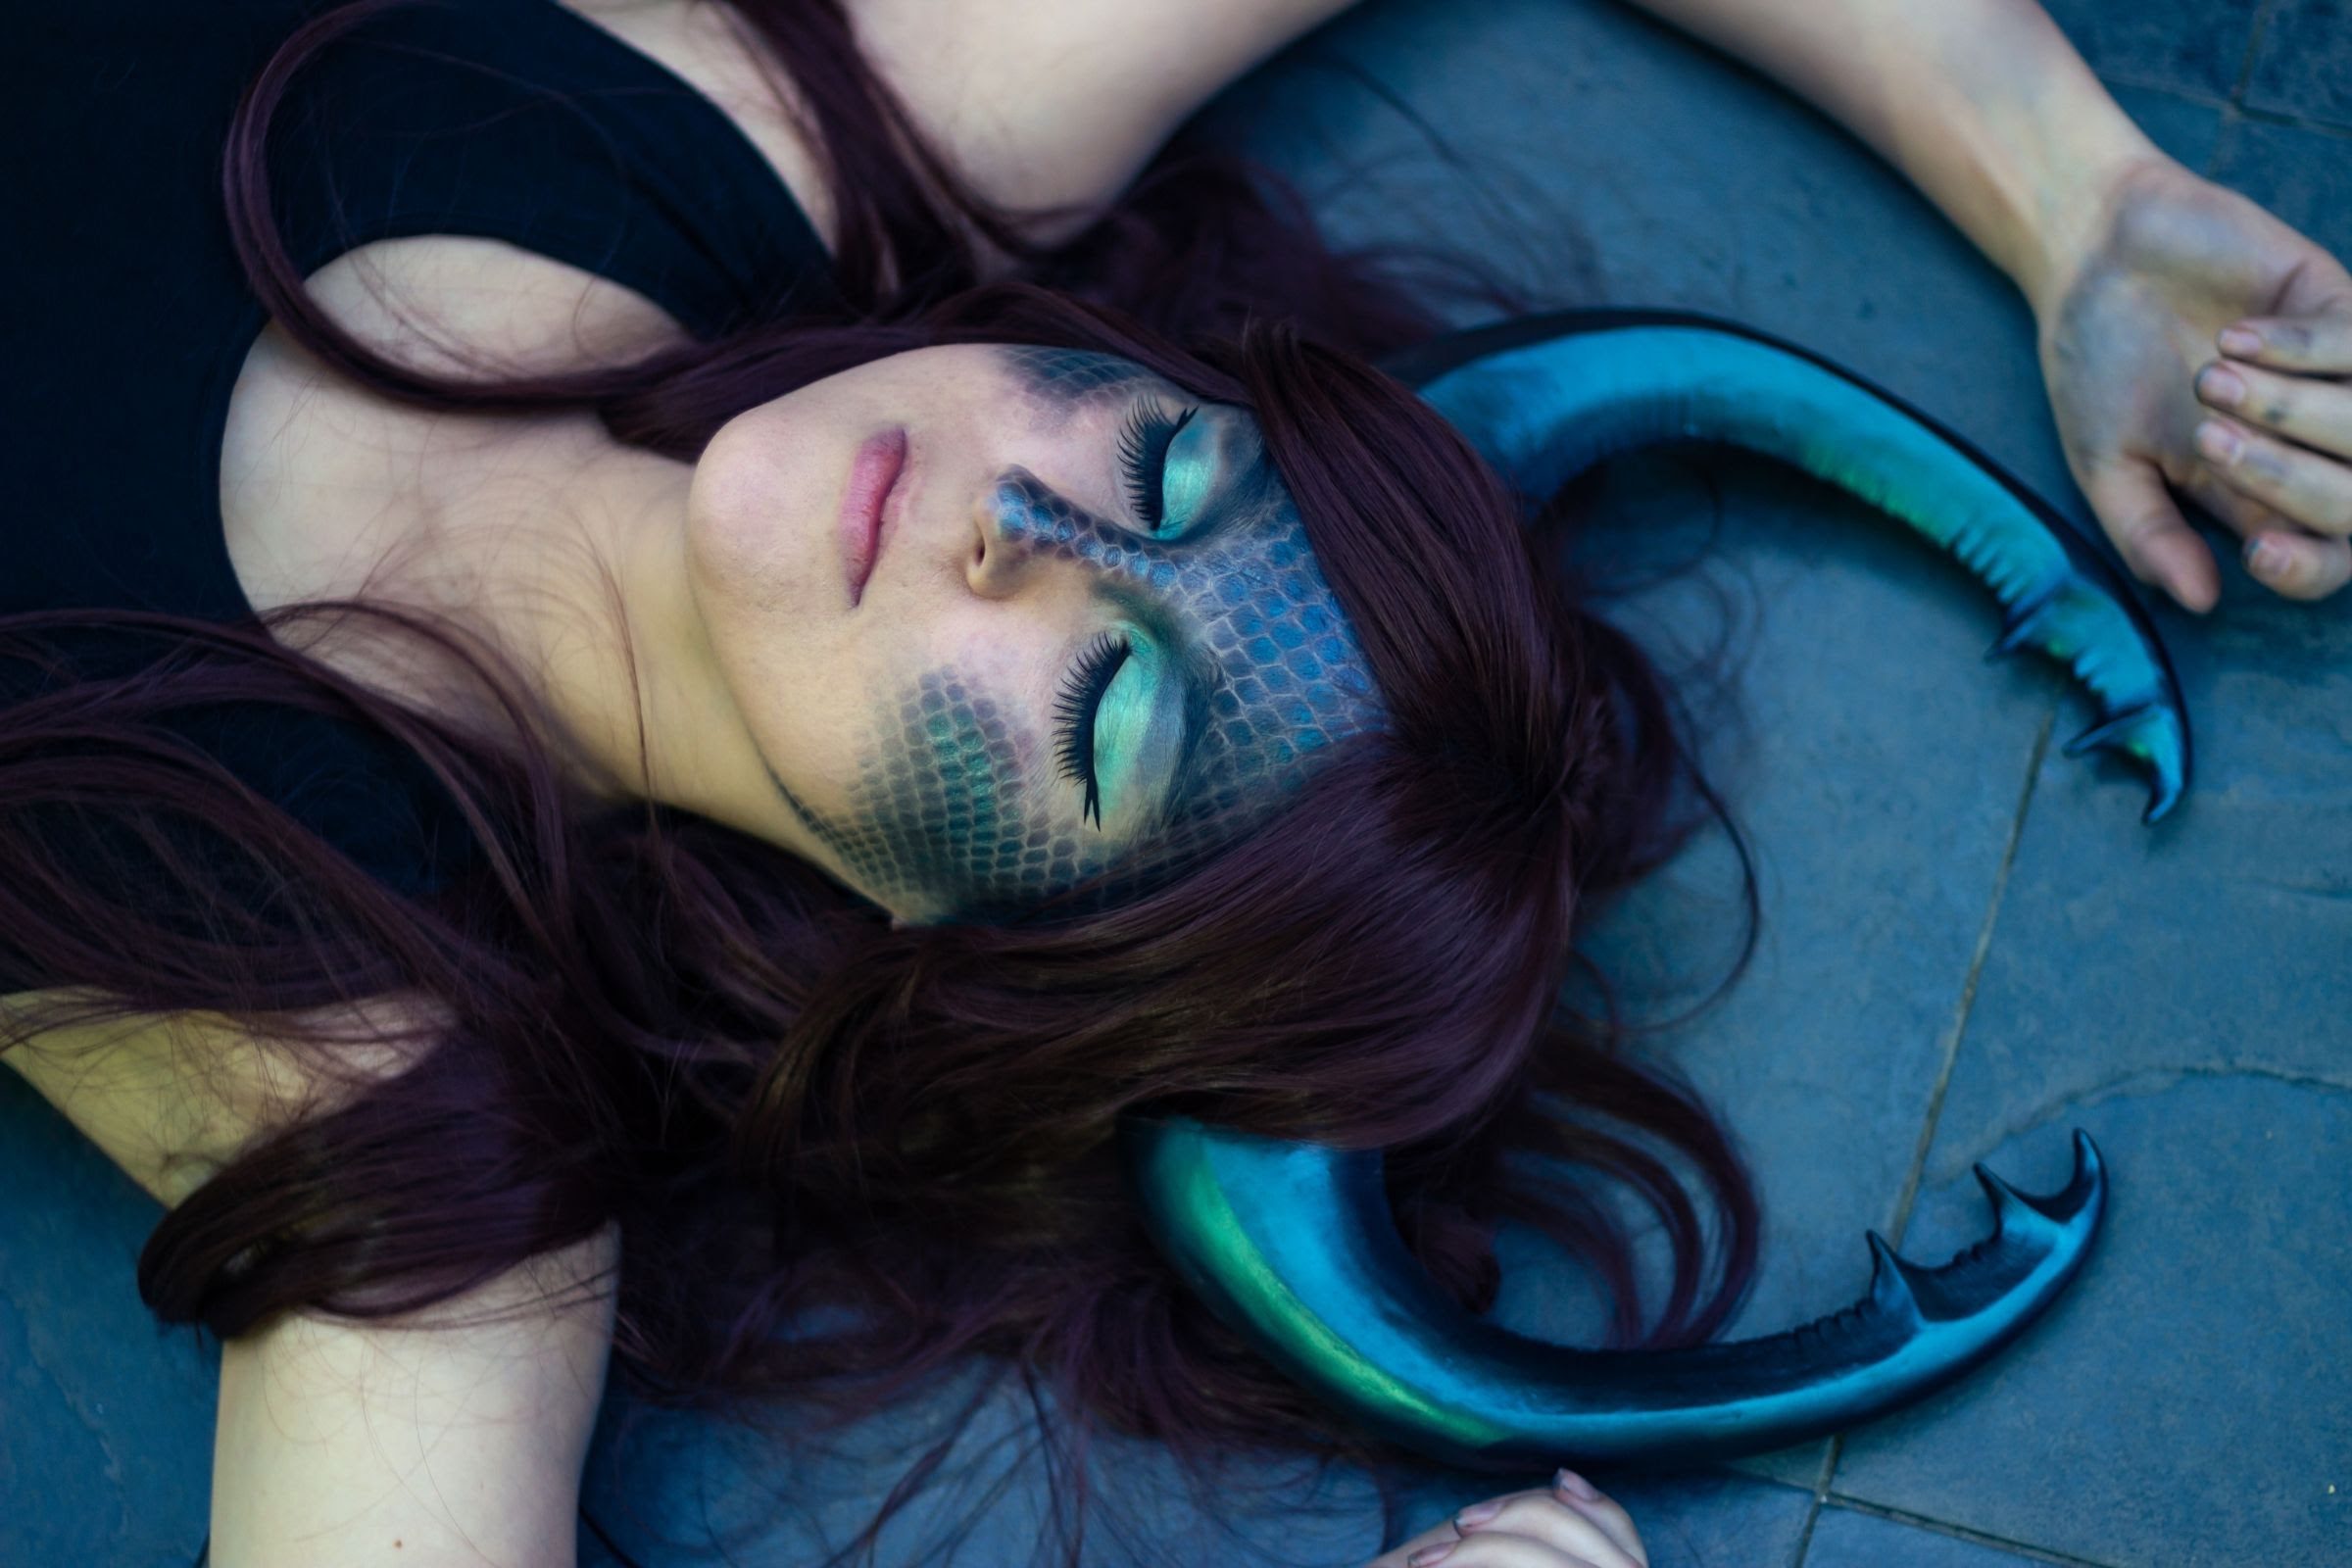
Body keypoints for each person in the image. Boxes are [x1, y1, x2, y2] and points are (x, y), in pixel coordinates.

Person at [3, 2, 2346, 1566]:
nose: (1028, 523)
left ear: (982, 956)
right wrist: (2081, 194)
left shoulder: (387, 1099)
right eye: (1161, 463)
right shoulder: (786, 127)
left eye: (1107, 708)